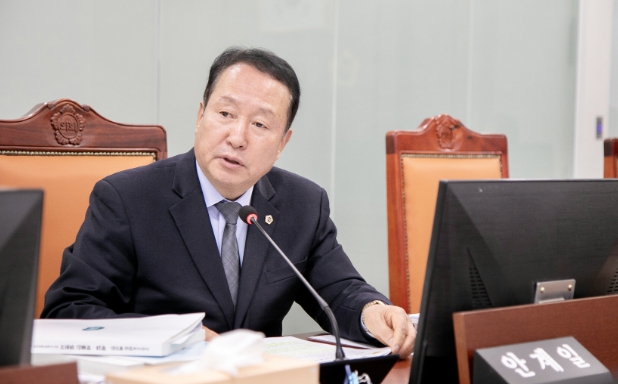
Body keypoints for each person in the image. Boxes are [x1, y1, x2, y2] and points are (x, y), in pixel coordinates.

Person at [42, 47, 416, 358]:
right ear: (200, 116)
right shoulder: (127, 199)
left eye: (260, 125)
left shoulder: (303, 203)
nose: (237, 137)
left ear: (282, 143)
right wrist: (177, 337)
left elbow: (339, 290)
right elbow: (69, 311)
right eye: (225, 114)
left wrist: (373, 312)